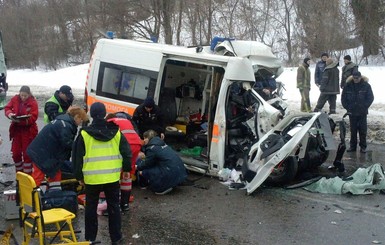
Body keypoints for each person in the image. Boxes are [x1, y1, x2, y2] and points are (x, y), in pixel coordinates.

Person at [72, 102, 132, 244]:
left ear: (91, 115)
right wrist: (127, 170)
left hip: (92, 179)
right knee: (114, 207)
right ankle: (116, 238)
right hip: (112, 178)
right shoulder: (116, 132)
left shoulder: (85, 134)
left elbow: (76, 158)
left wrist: (79, 177)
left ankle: (90, 238)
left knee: (91, 209)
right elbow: (127, 152)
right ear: (105, 113)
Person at [27, 106, 88, 186]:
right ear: (76, 117)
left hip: (42, 152)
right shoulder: (66, 126)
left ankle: (54, 193)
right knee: (38, 177)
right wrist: (81, 147)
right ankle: (29, 195)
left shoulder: (62, 121)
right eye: (81, 120)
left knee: (55, 174)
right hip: (42, 155)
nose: (80, 122)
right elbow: (67, 143)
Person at [106, 112, 142, 211]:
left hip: (126, 145)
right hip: (136, 144)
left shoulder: (109, 122)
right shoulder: (126, 121)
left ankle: (114, 202)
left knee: (117, 171)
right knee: (128, 172)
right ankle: (125, 204)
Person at [137, 129, 187, 195]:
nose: (144, 140)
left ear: (148, 138)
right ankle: (172, 182)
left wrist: (138, 167)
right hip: (180, 173)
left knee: (144, 171)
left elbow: (147, 164)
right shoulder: (162, 144)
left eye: (144, 138)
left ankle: (162, 187)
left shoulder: (152, 148)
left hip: (169, 172)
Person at [4, 86, 38, 174]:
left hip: (28, 131)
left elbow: (34, 117)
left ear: (29, 95)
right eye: (22, 95)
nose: (23, 97)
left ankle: (27, 175)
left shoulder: (33, 102)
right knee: (16, 153)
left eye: (25, 96)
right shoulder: (15, 99)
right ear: (19, 93)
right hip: (17, 130)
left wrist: (22, 121)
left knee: (27, 155)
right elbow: (7, 108)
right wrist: (10, 114)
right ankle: (19, 173)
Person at [341, 71, 374, 153]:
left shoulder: (366, 86)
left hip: (362, 112)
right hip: (352, 112)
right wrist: (348, 107)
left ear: (360, 77)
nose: (356, 79)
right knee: (353, 130)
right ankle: (353, 146)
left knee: (363, 130)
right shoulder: (348, 86)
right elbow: (343, 98)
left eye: (357, 78)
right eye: (354, 78)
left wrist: (364, 106)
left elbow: (370, 98)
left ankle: (363, 147)